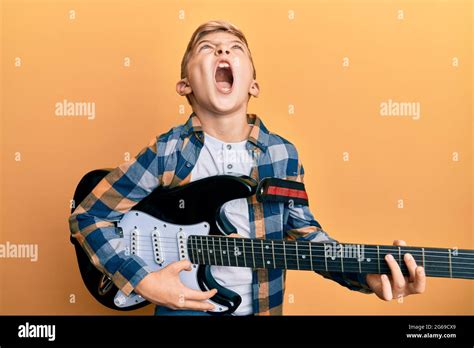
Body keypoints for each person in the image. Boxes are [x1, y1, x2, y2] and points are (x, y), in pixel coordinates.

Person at [69, 20, 426, 316]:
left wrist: (367, 275)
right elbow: (87, 217)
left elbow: (306, 239)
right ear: (185, 85)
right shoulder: (168, 151)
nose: (223, 51)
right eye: (206, 48)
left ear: (253, 84)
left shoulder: (282, 154)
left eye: (235, 48)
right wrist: (146, 282)